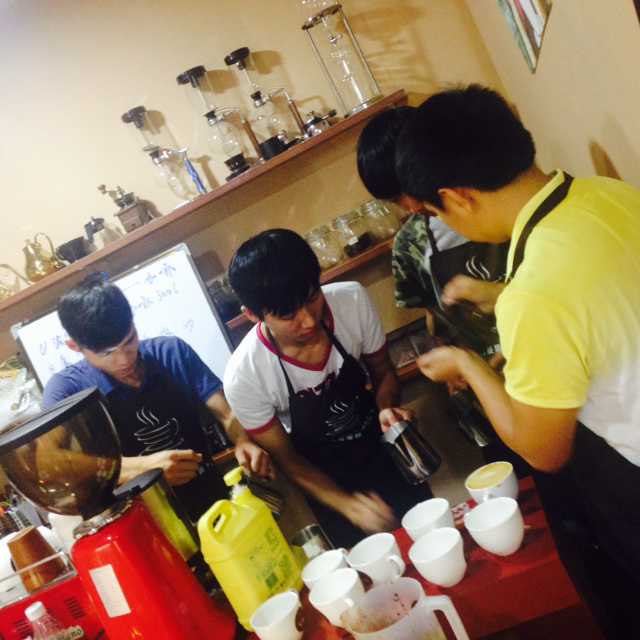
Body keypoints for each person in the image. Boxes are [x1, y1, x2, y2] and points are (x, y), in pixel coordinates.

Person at [397, 84, 640, 636]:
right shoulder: (607, 193)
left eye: (436, 210)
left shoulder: (533, 295)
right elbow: (598, 303)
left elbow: (544, 448)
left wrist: (467, 365)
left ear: (457, 197)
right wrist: (504, 299)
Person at [223, 229, 430, 547]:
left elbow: (383, 372)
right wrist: (348, 506)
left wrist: (387, 408)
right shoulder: (244, 376)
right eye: (288, 314)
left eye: (312, 298)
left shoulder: (352, 300)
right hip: (325, 481)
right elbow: (288, 460)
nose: (308, 320)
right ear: (252, 315)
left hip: (386, 451)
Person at [42, 273, 272, 521]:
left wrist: (242, 440)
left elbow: (226, 413)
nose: (124, 359)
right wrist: (142, 469)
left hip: (214, 501)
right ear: (75, 347)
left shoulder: (171, 352)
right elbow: (48, 463)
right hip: (141, 522)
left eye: (129, 341)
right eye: (107, 353)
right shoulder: (66, 389)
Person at [356, 105, 508, 359]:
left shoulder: (496, 201)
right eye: (396, 200)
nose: (413, 206)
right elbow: (434, 317)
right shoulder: (409, 244)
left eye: (410, 186)